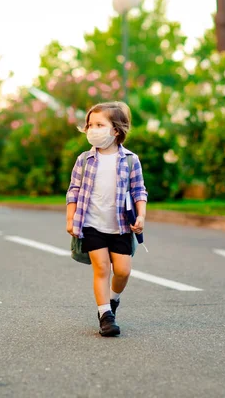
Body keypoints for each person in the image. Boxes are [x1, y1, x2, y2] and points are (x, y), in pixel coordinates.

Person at [66, 101, 148, 337]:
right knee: (101, 268)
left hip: (121, 226)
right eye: (90, 124)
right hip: (92, 223)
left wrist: (141, 215)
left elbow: (138, 191)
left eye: (99, 124)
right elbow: (73, 190)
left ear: (116, 130)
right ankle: (105, 316)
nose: (92, 129)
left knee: (122, 272)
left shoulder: (131, 160)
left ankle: (112, 301)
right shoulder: (84, 160)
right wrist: (71, 218)